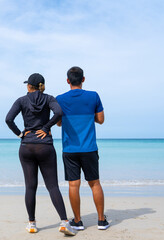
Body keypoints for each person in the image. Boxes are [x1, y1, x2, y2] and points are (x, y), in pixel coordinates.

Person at [5, 73, 76, 236]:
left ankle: (31, 224)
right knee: (52, 186)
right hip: (45, 146)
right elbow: (59, 113)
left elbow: (8, 119)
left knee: (30, 186)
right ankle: (64, 222)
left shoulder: (21, 100)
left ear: (29, 86)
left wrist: (20, 134)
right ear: (41, 85)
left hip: (26, 146)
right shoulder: (49, 98)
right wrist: (45, 128)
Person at [56, 66, 110, 230]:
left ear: (67, 81)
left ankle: (78, 221)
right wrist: (88, 117)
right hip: (89, 148)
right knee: (94, 184)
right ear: (83, 79)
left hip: (70, 149)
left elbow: (58, 122)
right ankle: (101, 220)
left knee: (74, 185)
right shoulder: (93, 96)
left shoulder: (60, 99)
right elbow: (100, 120)